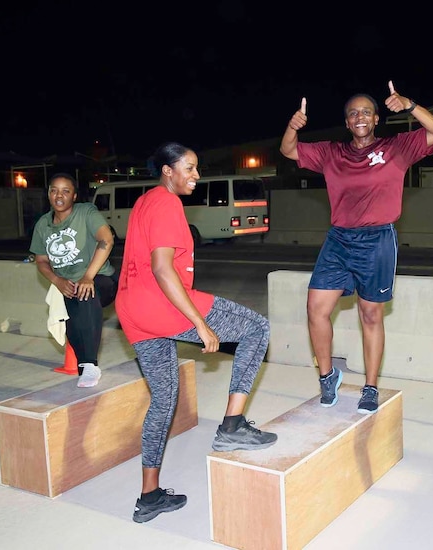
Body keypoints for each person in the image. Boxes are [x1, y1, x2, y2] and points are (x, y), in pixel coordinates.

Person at [115, 142, 276, 524]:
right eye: (189, 168)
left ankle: (149, 496)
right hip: (163, 304)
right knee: (257, 328)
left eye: (197, 168)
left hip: (131, 310)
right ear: (168, 171)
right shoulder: (168, 203)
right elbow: (162, 268)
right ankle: (233, 426)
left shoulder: (145, 201)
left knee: (164, 398)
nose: (196, 176)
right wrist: (200, 324)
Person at [279, 80, 433, 414]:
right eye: (353, 113)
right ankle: (327, 378)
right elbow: (288, 150)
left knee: (370, 314)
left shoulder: (397, 149)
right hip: (339, 239)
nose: (359, 117)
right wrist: (292, 127)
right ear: (346, 122)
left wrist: (409, 104)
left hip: (377, 240)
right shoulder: (331, 153)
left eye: (366, 112)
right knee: (316, 307)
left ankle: (370, 387)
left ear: (375, 120)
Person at [29, 173, 117, 388]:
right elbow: (41, 260)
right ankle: (84, 363)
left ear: (74, 196)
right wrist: (57, 280)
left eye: (65, 191)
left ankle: (90, 363)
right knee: (71, 323)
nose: (59, 195)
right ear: (48, 194)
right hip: (67, 284)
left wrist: (88, 276)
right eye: (54, 190)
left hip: (101, 279)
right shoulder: (43, 225)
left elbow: (106, 239)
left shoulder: (85, 212)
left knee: (87, 294)